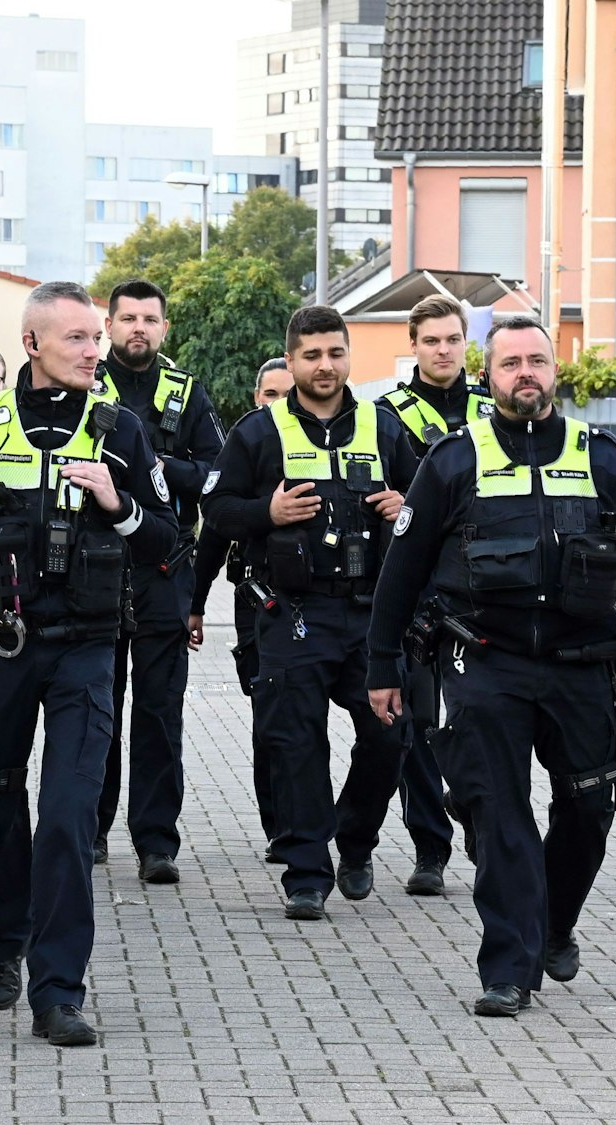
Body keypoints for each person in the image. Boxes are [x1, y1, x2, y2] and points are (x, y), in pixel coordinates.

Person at [366, 314, 616, 1017]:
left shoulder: (601, 458)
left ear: (555, 371)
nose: (525, 373)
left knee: (591, 807)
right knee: (499, 814)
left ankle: (553, 922)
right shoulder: (453, 459)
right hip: (484, 662)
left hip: (582, 664)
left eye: (537, 360)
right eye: (511, 363)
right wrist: (382, 664)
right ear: (489, 376)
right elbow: (402, 572)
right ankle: (507, 967)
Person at [0, 281, 177, 1047]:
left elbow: (167, 539)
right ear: (32, 345)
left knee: (65, 815)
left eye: (97, 337)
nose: (97, 350)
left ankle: (59, 989)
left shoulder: (120, 430)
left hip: (87, 651)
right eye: (80, 339)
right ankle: (3, 945)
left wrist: (119, 504)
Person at [201, 305, 418, 920]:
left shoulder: (384, 427)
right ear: (291, 360)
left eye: (335, 353)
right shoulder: (257, 432)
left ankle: (353, 839)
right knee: (294, 743)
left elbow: (428, 506)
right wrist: (264, 515)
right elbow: (216, 509)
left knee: (390, 735)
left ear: (349, 357)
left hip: (372, 617)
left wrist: (404, 503)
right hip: (291, 612)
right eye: (312, 355)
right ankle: (306, 872)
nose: (326, 366)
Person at [90, 278, 223, 884]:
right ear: (108, 326)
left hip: (164, 571)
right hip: (94, 570)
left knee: (159, 714)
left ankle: (155, 843)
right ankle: (91, 830)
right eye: (127, 318)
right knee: (97, 707)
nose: (138, 328)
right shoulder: (83, 384)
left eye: (150, 319)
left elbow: (218, 478)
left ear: (165, 329)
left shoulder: (185, 393)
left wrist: (156, 466)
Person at [373, 294, 494, 898]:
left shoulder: (492, 407)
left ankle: (474, 815)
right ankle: (429, 846)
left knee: (478, 718)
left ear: (465, 343)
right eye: (431, 341)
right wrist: (395, 506)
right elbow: (367, 490)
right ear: (413, 345)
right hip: (420, 593)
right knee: (416, 723)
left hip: (484, 593)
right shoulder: (386, 415)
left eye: (453, 339)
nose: (443, 350)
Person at [188, 357, 292, 862]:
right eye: (269, 393)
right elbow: (215, 531)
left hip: (329, 603)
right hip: (259, 599)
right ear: (257, 398)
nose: (277, 402)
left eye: (285, 393)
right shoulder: (247, 446)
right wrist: (195, 603)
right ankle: (280, 828)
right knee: (269, 716)